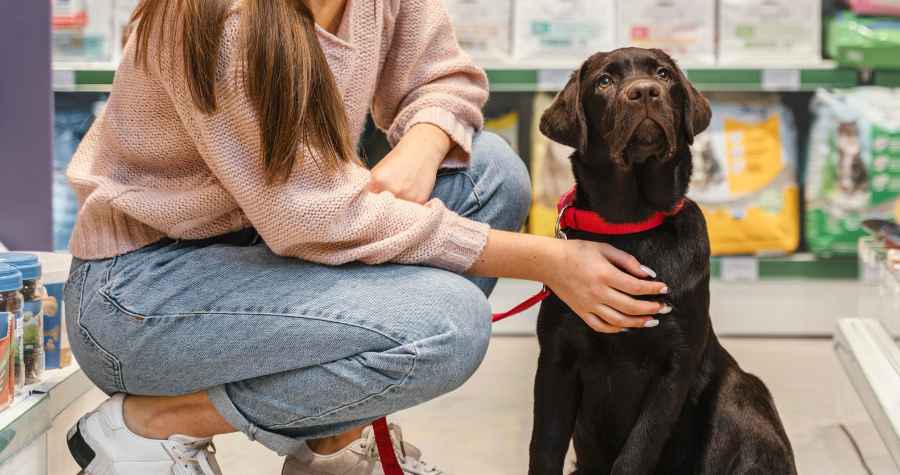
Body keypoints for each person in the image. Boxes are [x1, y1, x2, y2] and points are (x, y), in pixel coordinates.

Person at [62, 0, 671, 473]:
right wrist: (547, 259)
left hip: (268, 246)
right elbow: (313, 219)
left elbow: (446, 79)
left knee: (490, 175)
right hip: (144, 297)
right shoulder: (223, 23)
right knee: (451, 326)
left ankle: (332, 444)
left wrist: (421, 145)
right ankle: (155, 419)